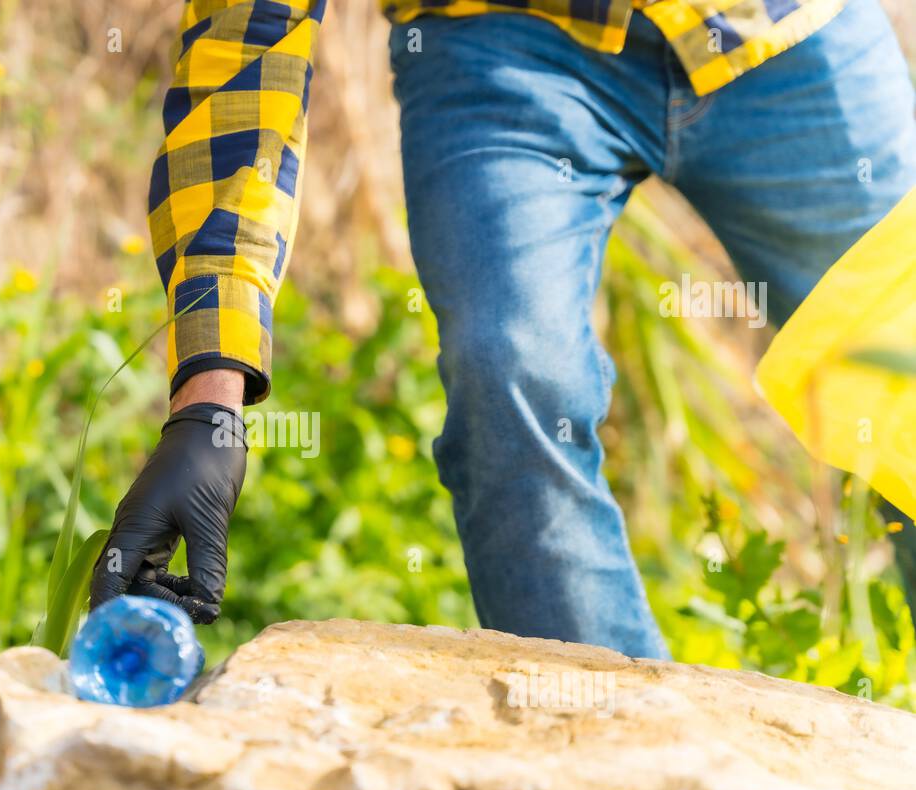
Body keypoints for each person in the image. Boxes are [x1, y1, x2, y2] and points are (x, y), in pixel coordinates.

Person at [89, 0, 916, 659]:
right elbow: (247, 37)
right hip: (498, 48)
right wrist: (211, 401)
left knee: (906, 365)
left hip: (780, 30)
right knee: (508, 380)